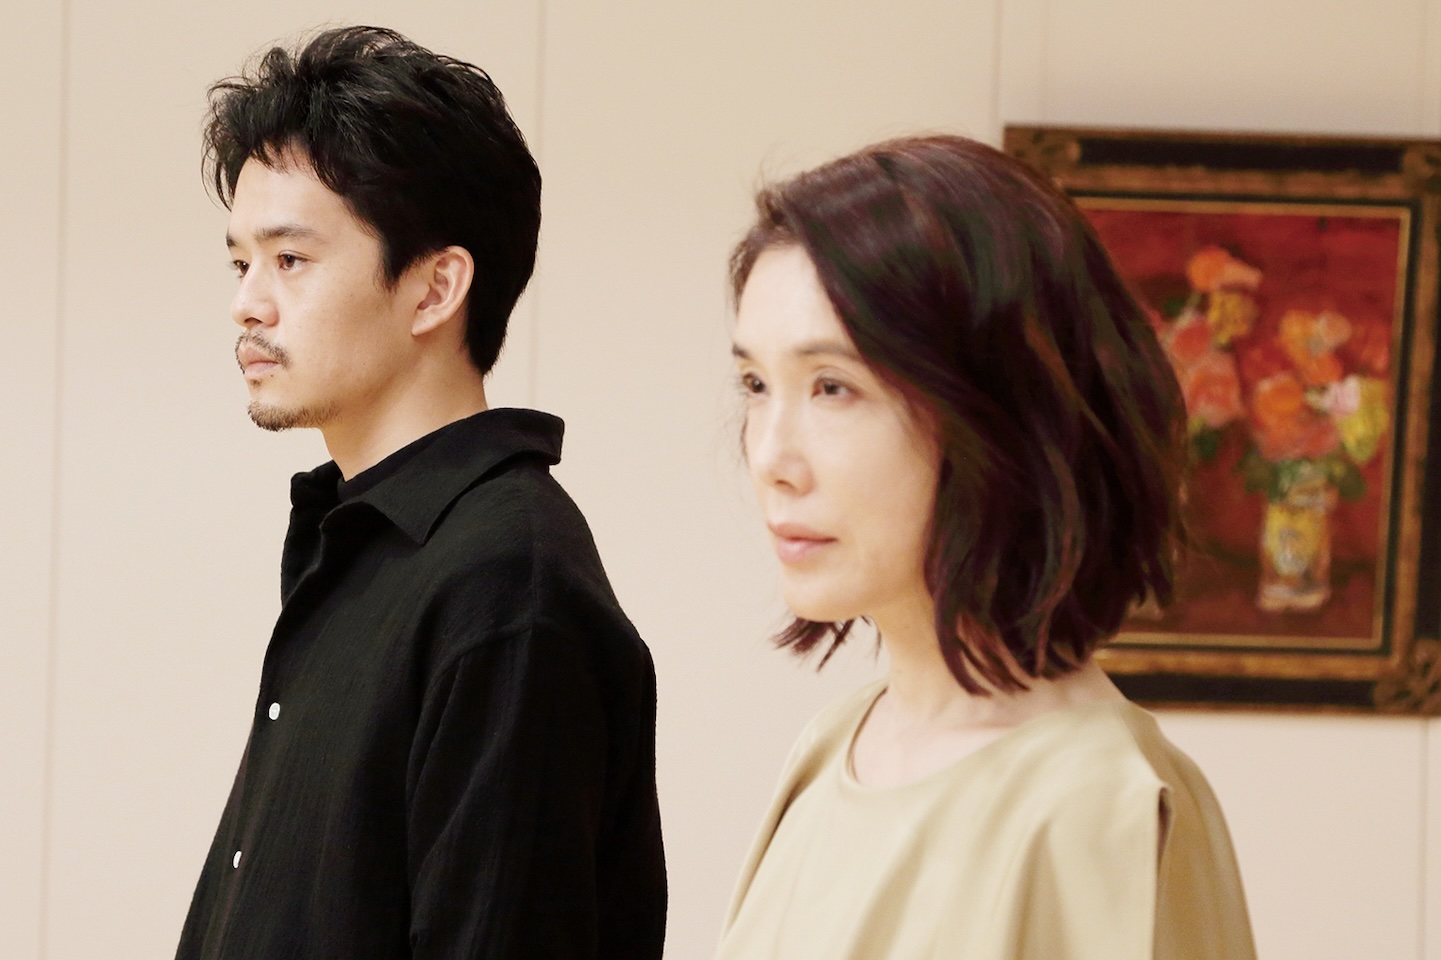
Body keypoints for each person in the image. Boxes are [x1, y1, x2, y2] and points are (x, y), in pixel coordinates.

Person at [177, 26, 665, 959]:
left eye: (289, 260)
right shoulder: (366, 544)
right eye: (240, 263)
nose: (247, 302)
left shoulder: (504, 585)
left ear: (436, 288)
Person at [716, 135, 1255, 959]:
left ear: (1000, 412)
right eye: (756, 385)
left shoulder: (1101, 807)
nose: (769, 458)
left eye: (832, 387)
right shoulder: (831, 748)